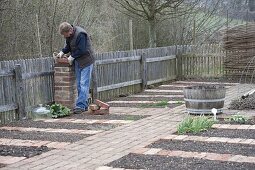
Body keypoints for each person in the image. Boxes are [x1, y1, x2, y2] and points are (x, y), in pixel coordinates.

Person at [57, 22, 95, 114]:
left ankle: (80, 105)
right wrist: (62, 52)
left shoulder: (81, 34)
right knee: (78, 84)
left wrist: (71, 57)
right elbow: (69, 47)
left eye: (64, 34)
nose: (64, 37)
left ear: (69, 31)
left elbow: (81, 50)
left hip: (87, 60)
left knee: (83, 84)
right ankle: (84, 105)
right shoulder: (69, 36)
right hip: (78, 61)